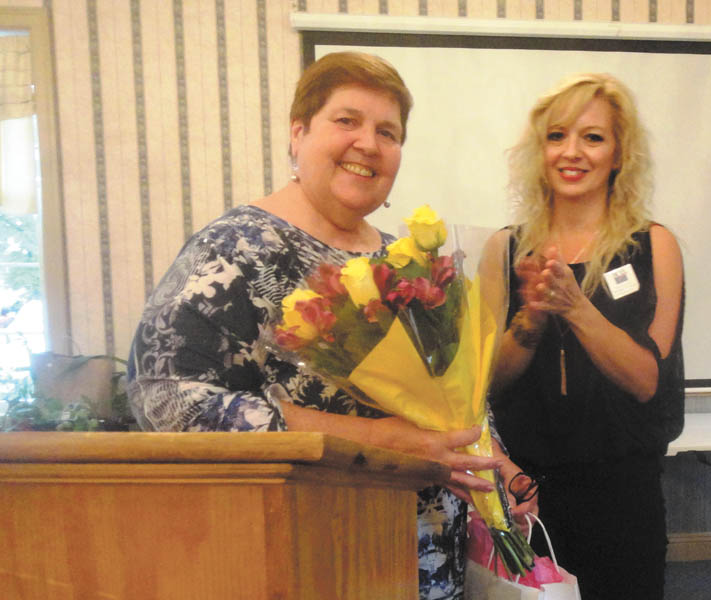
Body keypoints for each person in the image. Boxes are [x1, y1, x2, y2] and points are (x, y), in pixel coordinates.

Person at [127, 51, 528, 600]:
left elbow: (455, 392)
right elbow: (166, 399)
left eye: (388, 131)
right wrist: (377, 440)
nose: (369, 143)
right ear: (298, 134)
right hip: (310, 557)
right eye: (347, 120)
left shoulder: (404, 259)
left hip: (429, 559)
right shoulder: (235, 248)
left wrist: (495, 460)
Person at [489, 73, 685, 600]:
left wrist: (575, 307)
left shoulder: (655, 245)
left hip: (624, 495)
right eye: (557, 136)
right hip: (524, 494)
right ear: (540, 149)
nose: (571, 152)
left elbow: (647, 381)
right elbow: (489, 384)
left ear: (618, 153)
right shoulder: (503, 248)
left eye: (593, 137)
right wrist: (529, 321)